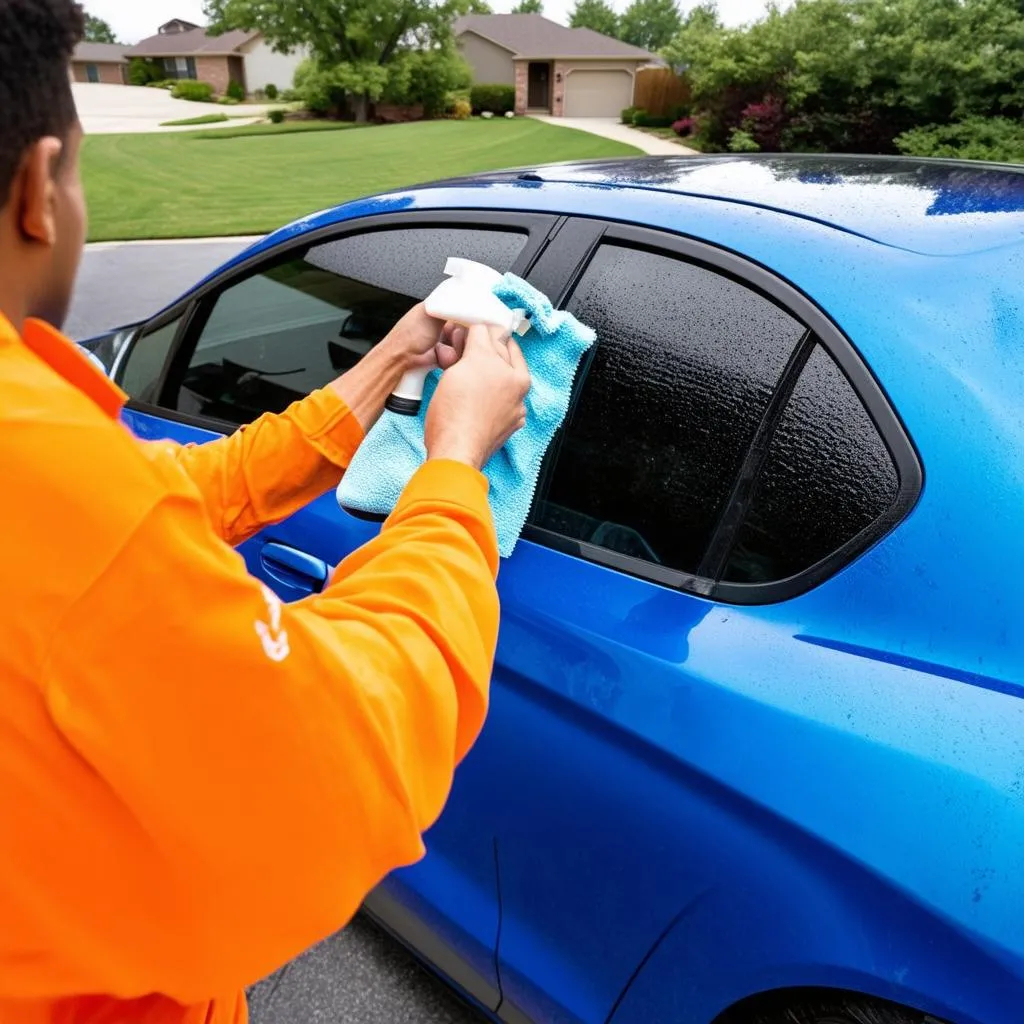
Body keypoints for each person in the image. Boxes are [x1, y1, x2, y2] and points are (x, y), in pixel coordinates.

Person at [0, 2, 532, 1022]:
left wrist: (384, 366)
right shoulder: (55, 484)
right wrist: (456, 468)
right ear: (38, 189)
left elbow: (165, 502)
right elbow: (344, 766)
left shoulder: (46, 477)